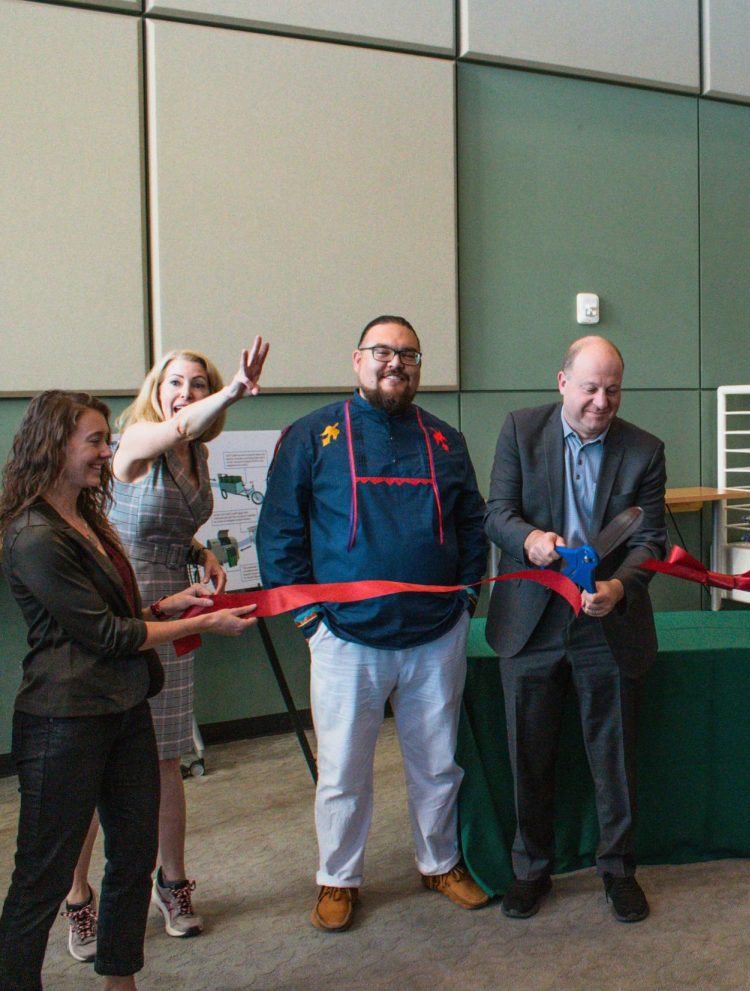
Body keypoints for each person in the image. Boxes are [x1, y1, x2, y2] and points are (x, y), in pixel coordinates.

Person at [0, 391, 256, 991]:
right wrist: (200, 623)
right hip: (63, 722)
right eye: (95, 441)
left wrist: (168, 604)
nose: (108, 451)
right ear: (54, 445)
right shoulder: (33, 533)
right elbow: (105, 633)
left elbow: (111, 612)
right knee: (42, 875)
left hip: (123, 708)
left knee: (135, 856)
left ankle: (121, 979)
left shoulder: (87, 515)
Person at [256, 315, 490, 931]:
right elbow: (278, 533)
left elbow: (473, 526)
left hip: (437, 633)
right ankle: (338, 879)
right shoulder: (311, 437)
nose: (396, 363)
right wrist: (311, 620)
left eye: (409, 354)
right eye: (383, 351)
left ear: (419, 366)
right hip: (344, 640)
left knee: (438, 761)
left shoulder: (446, 440)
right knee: (342, 770)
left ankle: (439, 862)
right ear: (356, 359)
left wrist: (464, 602)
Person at [60, 338, 269, 957]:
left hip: (176, 608)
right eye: (176, 382)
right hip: (118, 610)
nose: (186, 394)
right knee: (95, 763)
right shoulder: (134, 444)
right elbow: (170, 432)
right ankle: (77, 898)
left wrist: (199, 552)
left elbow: (174, 525)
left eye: (199, 385)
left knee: (167, 757)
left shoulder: (197, 457)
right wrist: (236, 388)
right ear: (156, 389)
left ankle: (171, 880)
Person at [484, 335, 667, 923]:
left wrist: (619, 588)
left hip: (606, 622)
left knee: (613, 759)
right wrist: (530, 540)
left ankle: (617, 871)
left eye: (613, 389)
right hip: (531, 620)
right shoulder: (519, 430)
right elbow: (497, 514)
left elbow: (650, 541)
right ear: (562, 382)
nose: (601, 401)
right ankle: (530, 870)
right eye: (590, 387)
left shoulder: (645, 450)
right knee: (528, 753)